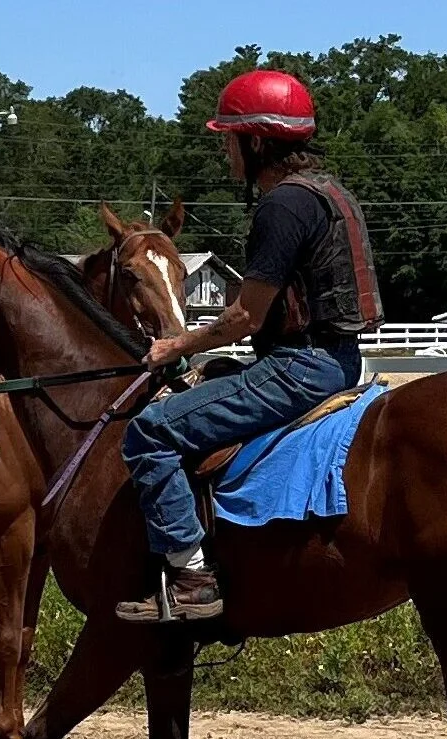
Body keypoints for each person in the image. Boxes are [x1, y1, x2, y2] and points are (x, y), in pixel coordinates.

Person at [115, 69, 381, 623]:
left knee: (150, 432)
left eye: (228, 139)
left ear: (257, 142)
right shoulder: (331, 192)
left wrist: (176, 347)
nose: (225, 151)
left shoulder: (282, 205)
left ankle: (192, 577)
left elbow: (244, 315)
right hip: (337, 359)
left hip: (299, 370)